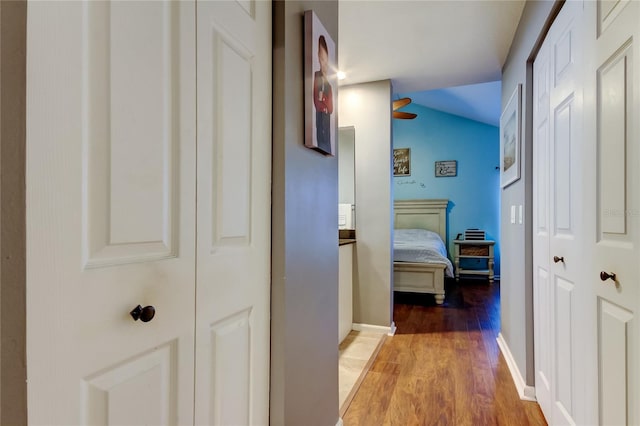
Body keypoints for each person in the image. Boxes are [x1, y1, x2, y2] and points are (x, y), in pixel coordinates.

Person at [313, 35, 333, 153]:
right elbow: (316, 102)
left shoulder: (329, 86)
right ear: (318, 58)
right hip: (320, 122)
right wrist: (323, 105)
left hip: (327, 123)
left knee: (327, 146)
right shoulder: (316, 76)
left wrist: (323, 98)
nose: (324, 63)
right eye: (321, 59)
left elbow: (330, 109)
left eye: (325, 59)